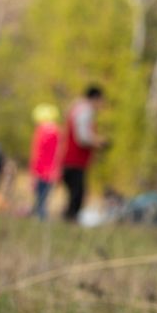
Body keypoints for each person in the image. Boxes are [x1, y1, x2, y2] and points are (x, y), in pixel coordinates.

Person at [60, 85, 104, 222]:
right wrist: (98, 141)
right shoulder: (85, 111)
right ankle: (70, 219)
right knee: (77, 192)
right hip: (75, 159)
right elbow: (83, 137)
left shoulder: (76, 109)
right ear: (95, 98)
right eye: (101, 100)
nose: (102, 104)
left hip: (70, 158)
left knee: (75, 192)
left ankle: (69, 218)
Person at [28, 103, 62, 220]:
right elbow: (59, 153)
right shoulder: (57, 132)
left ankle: (40, 216)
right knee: (44, 197)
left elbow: (36, 153)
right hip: (51, 170)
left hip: (41, 170)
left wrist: (33, 173)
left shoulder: (41, 131)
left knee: (40, 197)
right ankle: (40, 215)